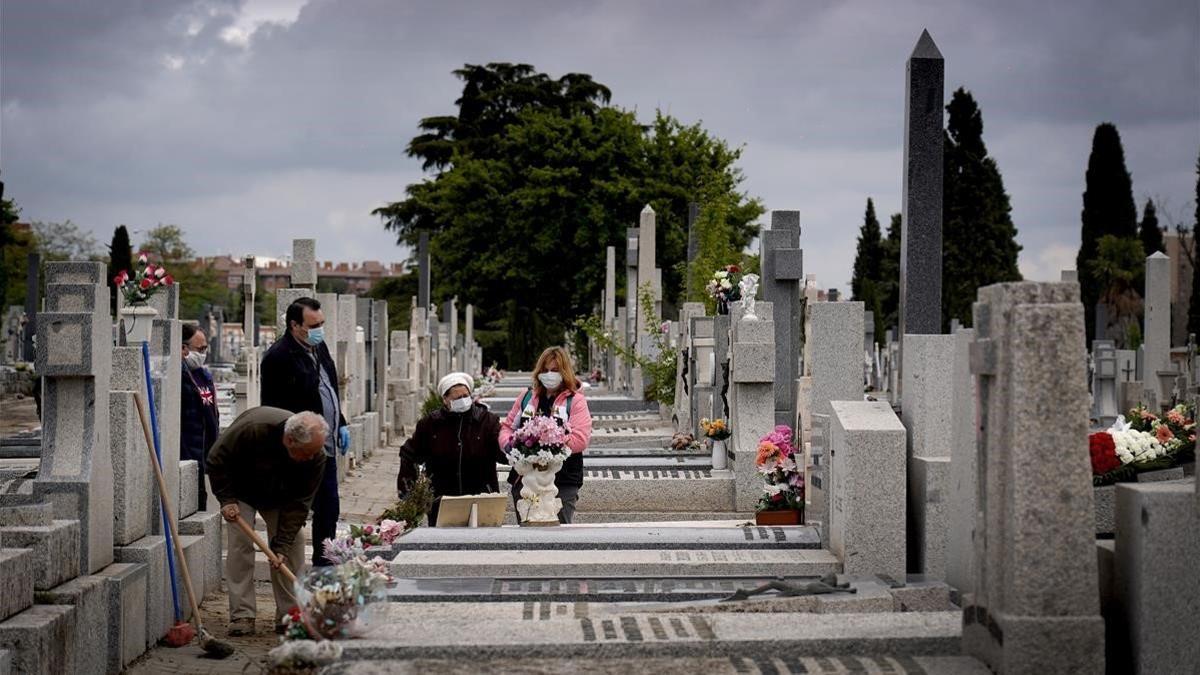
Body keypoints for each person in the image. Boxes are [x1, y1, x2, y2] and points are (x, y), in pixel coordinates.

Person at [207, 407, 327, 636]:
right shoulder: (253, 429)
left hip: (280, 496)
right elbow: (216, 459)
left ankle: (289, 615)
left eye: (314, 452)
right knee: (240, 543)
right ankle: (242, 614)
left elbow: (300, 504)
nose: (311, 457)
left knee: (293, 546)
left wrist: (281, 546)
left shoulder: (316, 456)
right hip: (240, 488)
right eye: (307, 453)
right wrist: (227, 499)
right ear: (290, 440)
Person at [260, 297, 349, 567]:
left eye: (322, 323)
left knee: (329, 507)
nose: (319, 329)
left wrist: (341, 422)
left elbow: (329, 389)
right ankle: (288, 562)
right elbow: (274, 409)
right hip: (301, 448)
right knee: (296, 509)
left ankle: (325, 562)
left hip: (327, 443)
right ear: (295, 325)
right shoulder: (278, 357)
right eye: (313, 325)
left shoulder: (318, 347)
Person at [397, 372, 506, 526]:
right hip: (442, 499)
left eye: (465, 396)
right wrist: (408, 493)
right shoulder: (430, 424)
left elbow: (502, 451)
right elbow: (409, 453)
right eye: (457, 398)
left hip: (481, 496)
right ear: (445, 400)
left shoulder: (487, 421)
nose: (463, 400)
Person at [499, 346, 593, 523]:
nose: (549, 374)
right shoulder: (527, 397)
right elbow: (507, 428)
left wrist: (548, 443)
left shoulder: (575, 400)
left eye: (555, 370)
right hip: (525, 480)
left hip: (562, 482)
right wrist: (510, 445)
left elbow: (580, 439)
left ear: (564, 372)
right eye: (545, 370)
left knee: (558, 537)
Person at [180, 324, 220, 511]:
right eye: (199, 349)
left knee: (201, 501)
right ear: (183, 348)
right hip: (187, 452)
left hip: (204, 450)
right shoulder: (180, 376)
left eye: (205, 349)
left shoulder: (203, 375)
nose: (203, 353)